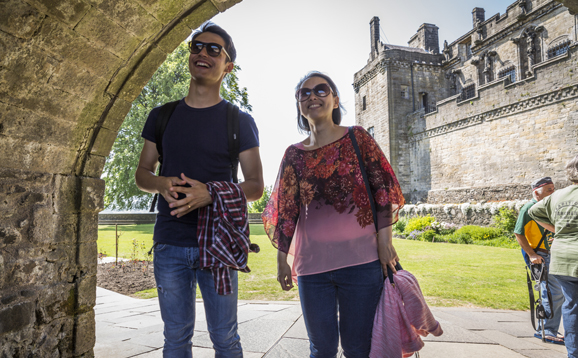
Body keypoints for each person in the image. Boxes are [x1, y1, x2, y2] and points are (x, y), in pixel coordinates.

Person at [135, 22, 264, 357]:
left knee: (225, 338)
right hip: (170, 245)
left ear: (228, 66)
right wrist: (161, 182)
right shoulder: (161, 116)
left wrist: (211, 193)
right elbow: (142, 174)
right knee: (175, 339)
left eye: (213, 49)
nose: (202, 53)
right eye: (196, 46)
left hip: (218, 245)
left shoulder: (239, 121)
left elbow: (255, 186)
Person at [262, 71, 405, 357]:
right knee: (322, 349)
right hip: (312, 268)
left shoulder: (358, 138)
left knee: (357, 348)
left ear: (335, 99)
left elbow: (383, 189)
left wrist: (384, 242)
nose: (312, 96)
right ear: (299, 105)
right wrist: (281, 260)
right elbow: (287, 210)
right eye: (305, 93)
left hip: (362, 263)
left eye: (321, 90)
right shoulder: (293, 154)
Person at [529, 155, 578, 358]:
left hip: (561, 258)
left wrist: (557, 228)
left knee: (571, 305)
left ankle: (573, 353)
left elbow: (534, 211)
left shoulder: (557, 196)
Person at [513, 177, 564, 344]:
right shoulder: (528, 208)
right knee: (551, 293)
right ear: (536, 192)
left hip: (551, 253)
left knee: (557, 294)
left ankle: (550, 329)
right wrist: (531, 254)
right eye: (549, 189)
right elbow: (518, 233)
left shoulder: (548, 206)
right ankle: (547, 331)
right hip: (540, 256)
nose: (553, 192)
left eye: (553, 188)